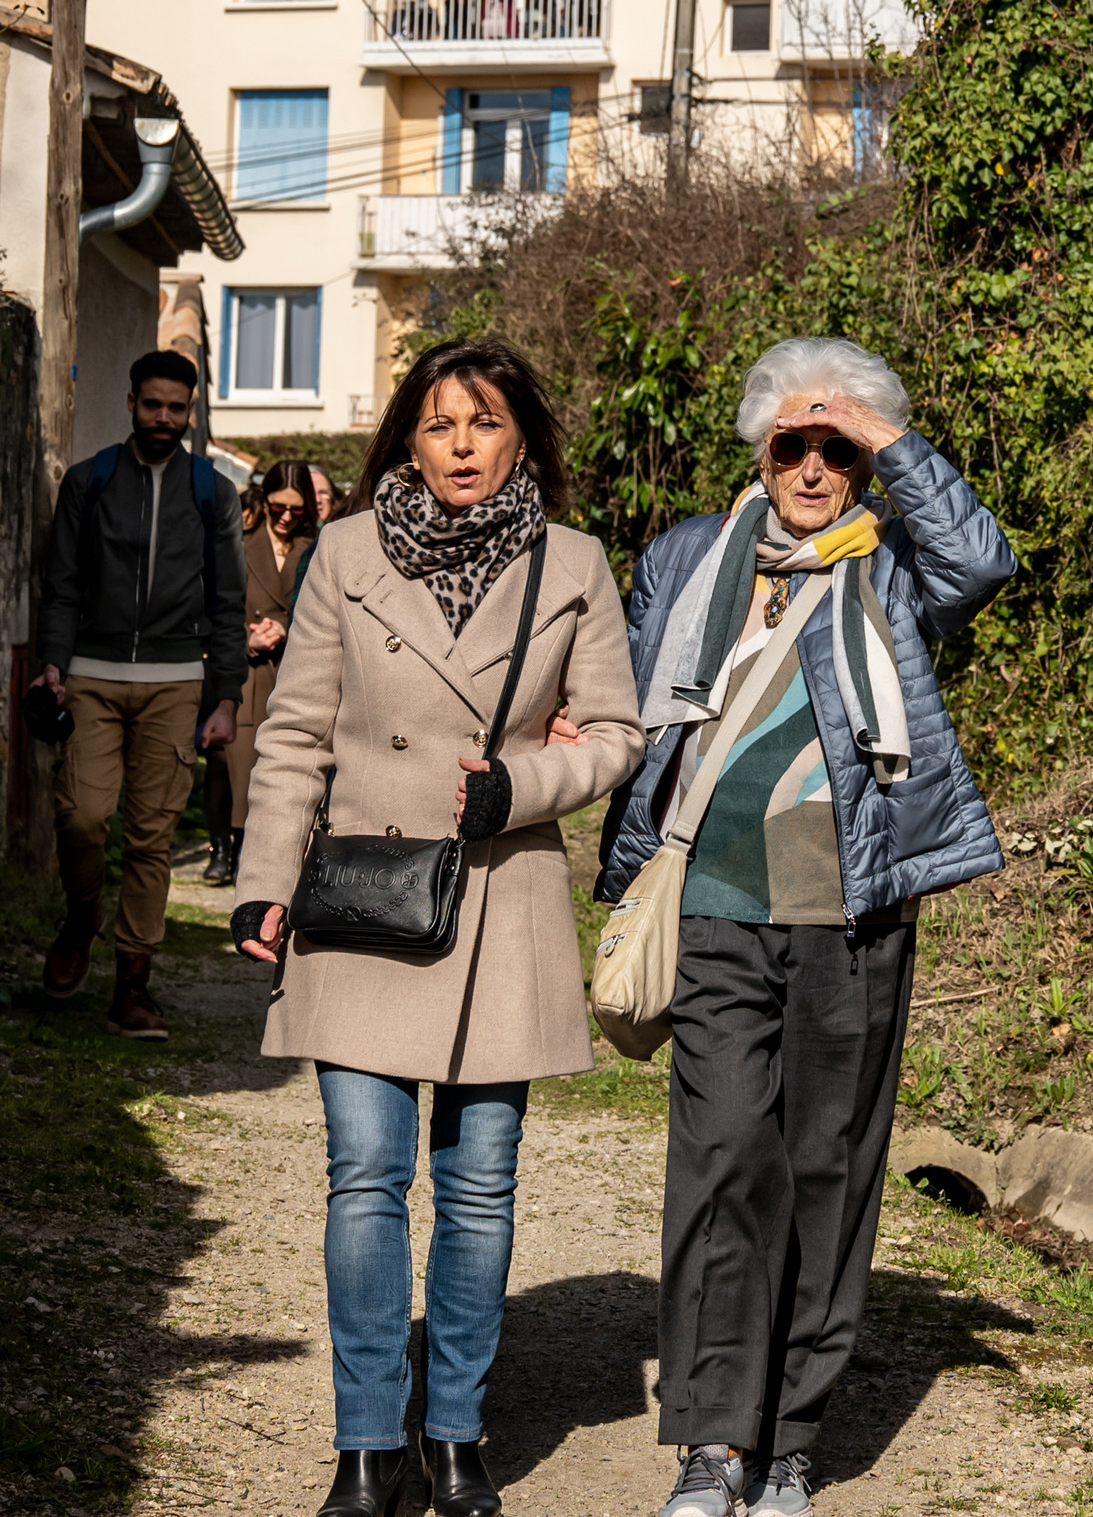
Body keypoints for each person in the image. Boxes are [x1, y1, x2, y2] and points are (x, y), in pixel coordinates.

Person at [596, 337, 1014, 1517]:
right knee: (725, 1158)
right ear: (760, 448)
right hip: (716, 903)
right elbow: (633, 710)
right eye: (795, 441)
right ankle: (712, 1439)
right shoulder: (688, 556)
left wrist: (889, 438)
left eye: (839, 447)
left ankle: (788, 1437)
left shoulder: (892, 566)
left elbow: (983, 561)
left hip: (854, 910)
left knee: (828, 1167)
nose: (816, 466)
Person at [233, 338, 644, 1517]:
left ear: (522, 438)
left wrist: (517, 786)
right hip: (361, 898)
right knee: (364, 1173)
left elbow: (616, 732)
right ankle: (368, 1446)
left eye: (483, 424)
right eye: (437, 425)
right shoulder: (349, 552)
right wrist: (265, 881)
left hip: (496, 898)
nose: (460, 446)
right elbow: (298, 732)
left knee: (478, 1186)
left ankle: (455, 1434)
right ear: (405, 441)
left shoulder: (572, 562)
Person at [34, 348, 248, 1039]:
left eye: (176, 408)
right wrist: (53, 666)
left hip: (176, 681)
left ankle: (133, 985)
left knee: (152, 839)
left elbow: (229, 601)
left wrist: (225, 697)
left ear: (190, 412)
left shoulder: (212, 492)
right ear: (130, 403)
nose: (164, 418)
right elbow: (60, 583)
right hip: (92, 674)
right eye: (152, 404)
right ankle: (81, 917)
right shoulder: (89, 481)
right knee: (83, 818)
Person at [223, 461, 320, 886]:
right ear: (263, 501)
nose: (285, 517)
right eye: (278, 507)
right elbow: (215, 613)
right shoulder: (236, 545)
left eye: (296, 511)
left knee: (292, 789)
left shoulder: (318, 548)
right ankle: (246, 874)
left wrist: (289, 627)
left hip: (298, 679)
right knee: (243, 786)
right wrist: (248, 641)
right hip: (247, 679)